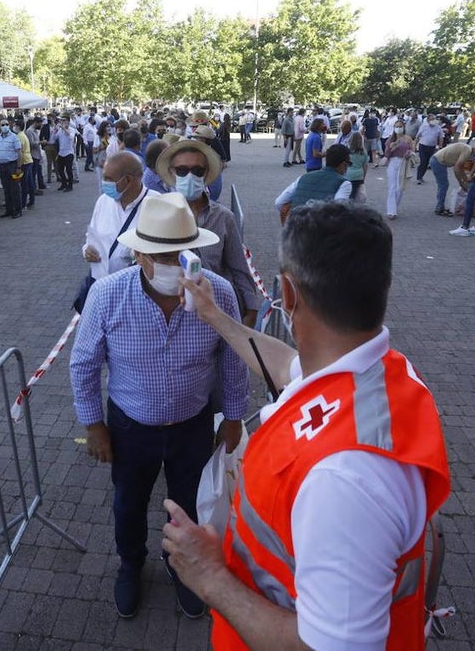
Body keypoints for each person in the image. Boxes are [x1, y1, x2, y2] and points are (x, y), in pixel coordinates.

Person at [162, 200, 450, 650]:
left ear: (288, 295)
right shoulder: (377, 372)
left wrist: (210, 578)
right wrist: (216, 317)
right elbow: (287, 366)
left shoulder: (345, 479)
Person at [70, 193, 249, 620]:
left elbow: (231, 356)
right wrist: (93, 425)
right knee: (128, 502)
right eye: (161, 255)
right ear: (139, 253)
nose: (173, 264)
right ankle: (131, 564)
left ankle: (182, 568)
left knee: (188, 502)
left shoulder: (217, 293)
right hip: (132, 427)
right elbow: (84, 362)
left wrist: (235, 417)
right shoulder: (109, 294)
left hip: (193, 422)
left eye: (181, 253)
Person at [157, 140, 259, 328]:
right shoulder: (157, 215)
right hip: (173, 314)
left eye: (197, 170)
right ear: (172, 173)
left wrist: (251, 313)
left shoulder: (223, 218)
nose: (189, 176)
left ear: (205, 174)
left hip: (217, 310)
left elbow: (239, 269)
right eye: (182, 170)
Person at [82, 152, 157, 282]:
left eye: (108, 179)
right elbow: (91, 236)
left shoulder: (157, 204)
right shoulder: (103, 201)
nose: (104, 182)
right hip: (101, 283)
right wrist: (87, 251)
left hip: (136, 288)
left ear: (128, 180)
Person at [275, 145, 353, 220]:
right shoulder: (344, 183)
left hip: (296, 227)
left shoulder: (303, 177)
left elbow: (279, 202)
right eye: (349, 164)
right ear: (343, 164)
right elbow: (339, 211)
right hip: (321, 229)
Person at [429, 141, 472, 216]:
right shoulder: (467, 151)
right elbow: (456, 168)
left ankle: (440, 206)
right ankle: (439, 208)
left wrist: (466, 180)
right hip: (438, 162)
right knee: (443, 185)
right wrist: (462, 183)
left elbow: (460, 168)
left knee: (443, 185)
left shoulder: (467, 148)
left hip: (438, 160)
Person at [384, 118, 412, 220]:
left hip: (404, 163)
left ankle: (394, 206)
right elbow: (386, 154)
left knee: (400, 188)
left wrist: (409, 154)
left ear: (404, 128)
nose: (398, 128)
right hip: (393, 162)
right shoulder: (390, 139)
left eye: (400, 126)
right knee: (392, 187)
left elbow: (411, 150)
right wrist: (392, 147)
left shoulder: (408, 139)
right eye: (397, 126)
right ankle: (391, 211)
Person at [415, 114, 443, 183]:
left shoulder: (438, 128)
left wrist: (440, 146)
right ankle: (419, 177)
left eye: (434, 119)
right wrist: (414, 146)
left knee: (427, 162)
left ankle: (421, 176)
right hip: (423, 146)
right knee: (423, 161)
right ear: (428, 120)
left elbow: (441, 137)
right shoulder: (424, 127)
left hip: (432, 147)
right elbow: (417, 137)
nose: (433, 121)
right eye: (431, 119)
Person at [345, 132, 369, 201]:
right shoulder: (363, 152)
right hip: (359, 175)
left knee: (349, 193)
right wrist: (363, 177)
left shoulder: (347, 151)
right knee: (357, 193)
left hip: (348, 174)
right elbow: (365, 166)